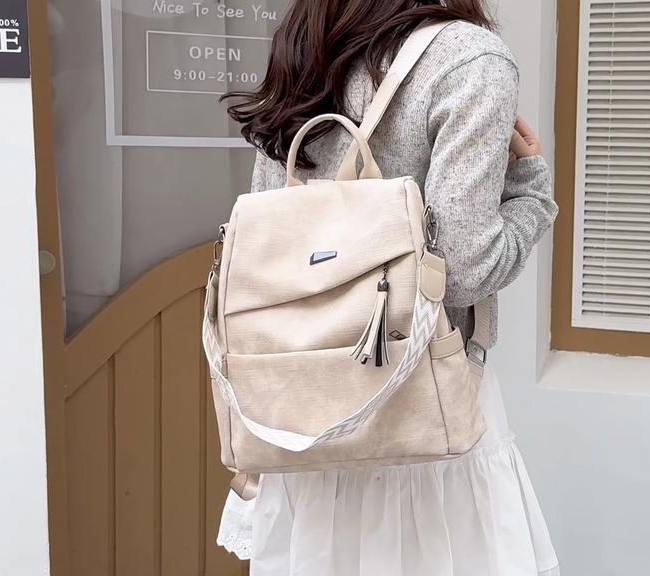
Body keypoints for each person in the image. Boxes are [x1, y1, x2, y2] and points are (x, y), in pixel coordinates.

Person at [214, 2, 560, 575]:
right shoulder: (468, 58)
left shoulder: (305, 45)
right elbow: (462, 271)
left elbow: (273, 239)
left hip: (301, 408)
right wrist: (530, 193)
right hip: (419, 409)